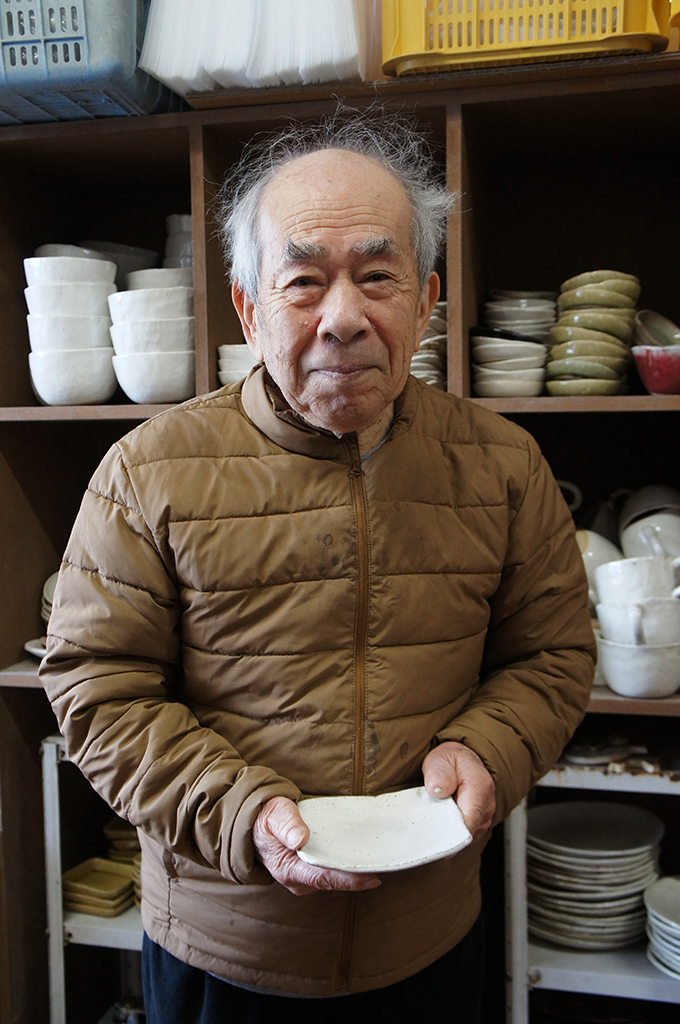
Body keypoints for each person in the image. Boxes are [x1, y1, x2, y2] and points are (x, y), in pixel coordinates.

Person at [40, 106, 595, 1024]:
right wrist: (244, 815)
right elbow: (98, 688)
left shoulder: (501, 464)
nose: (344, 318)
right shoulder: (147, 470)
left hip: (431, 938)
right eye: (303, 281)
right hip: (227, 948)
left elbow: (554, 657)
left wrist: (487, 748)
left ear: (426, 297)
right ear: (248, 308)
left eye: (378, 275)